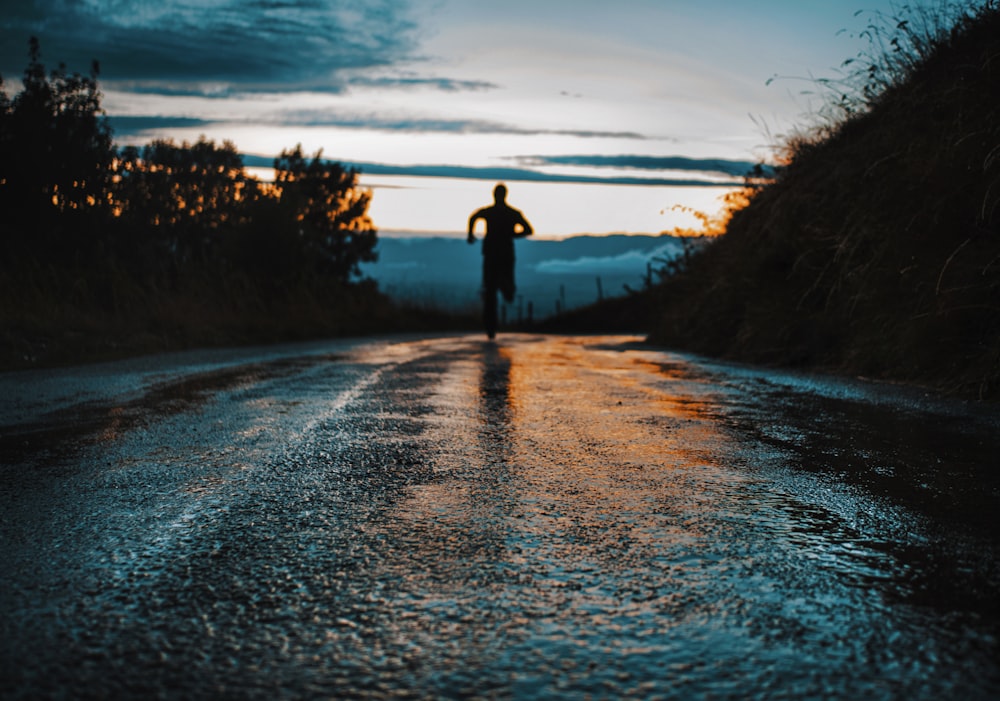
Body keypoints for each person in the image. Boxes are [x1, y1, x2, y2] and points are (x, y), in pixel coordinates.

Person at [467, 183, 534, 339]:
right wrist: (512, 234)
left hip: (493, 254)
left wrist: (470, 234)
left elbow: (474, 217)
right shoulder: (513, 213)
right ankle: (491, 325)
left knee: (491, 289)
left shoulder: (491, 212)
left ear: (494, 195)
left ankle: (491, 324)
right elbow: (528, 230)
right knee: (494, 290)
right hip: (504, 253)